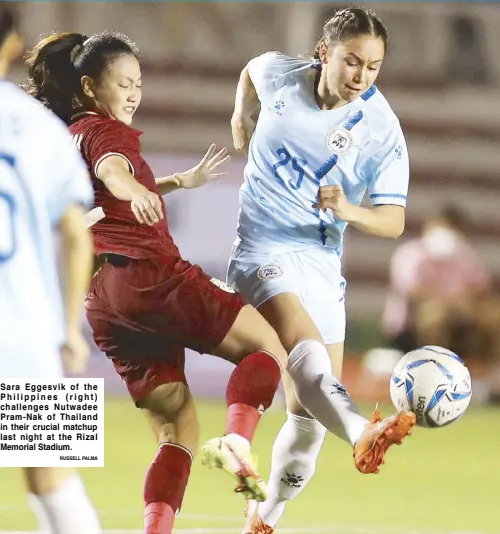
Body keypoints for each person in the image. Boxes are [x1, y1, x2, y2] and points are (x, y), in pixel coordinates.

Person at [25, 30, 289, 534]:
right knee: (268, 348)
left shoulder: (60, 139)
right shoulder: (104, 131)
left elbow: (101, 188)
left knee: (176, 430)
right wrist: (138, 189)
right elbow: (113, 169)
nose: (132, 93)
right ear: (86, 86)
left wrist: (169, 183)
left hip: (100, 303)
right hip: (146, 273)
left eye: (136, 83)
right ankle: (236, 439)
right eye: (122, 82)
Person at [228, 7, 416, 533]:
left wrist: (350, 210)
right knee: (305, 349)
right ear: (322, 54)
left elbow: (395, 221)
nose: (361, 76)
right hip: (261, 247)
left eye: (373, 67)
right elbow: (250, 69)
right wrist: (241, 114)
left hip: (320, 259)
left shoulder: (381, 130)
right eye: (351, 61)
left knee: (306, 423)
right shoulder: (280, 77)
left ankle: (263, 519)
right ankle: (361, 432)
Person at [0, 9, 101, 534]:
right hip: (27, 331)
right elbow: (75, 230)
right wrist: (68, 330)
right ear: (14, 43)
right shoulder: (40, 125)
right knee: (55, 481)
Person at [382, 205, 493, 357]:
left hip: (459, 316)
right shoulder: (410, 254)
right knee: (435, 314)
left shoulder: (466, 256)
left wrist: (462, 303)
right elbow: (411, 291)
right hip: (411, 324)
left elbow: (482, 288)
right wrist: (448, 302)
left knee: (491, 315)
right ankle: (434, 363)